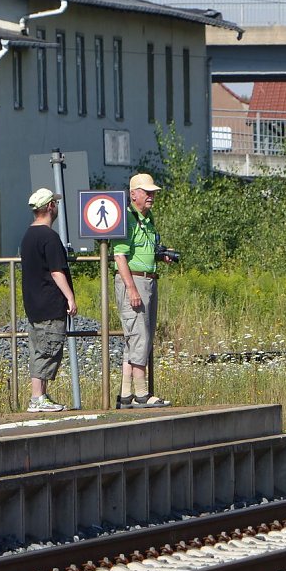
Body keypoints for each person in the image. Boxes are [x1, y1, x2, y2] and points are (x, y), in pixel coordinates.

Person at [111, 173, 173, 409]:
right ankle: (142, 395)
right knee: (139, 337)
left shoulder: (147, 219)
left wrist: (160, 256)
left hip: (148, 280)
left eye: (153, 193)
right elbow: (120, 256)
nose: (151, 196)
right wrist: (132, 289)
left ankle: (126, 394)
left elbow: (144, 249)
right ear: (133, 194)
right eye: (147, 192)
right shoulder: (127, 219)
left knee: (136, 338)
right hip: (134, 281)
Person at [20, 187, 78, 412]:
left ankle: (40, 395)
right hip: (49, 303)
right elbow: (56, 271)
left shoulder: (28, 235)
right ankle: (37, 398)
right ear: (50, 206)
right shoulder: (49, 237)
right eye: (55, 203)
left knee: (38, 348)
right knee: (48, 349)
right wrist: (70, 297)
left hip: (33, 303)